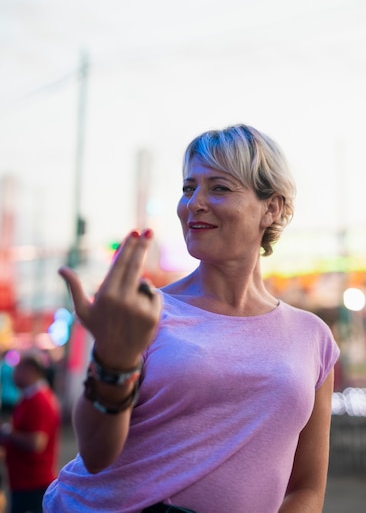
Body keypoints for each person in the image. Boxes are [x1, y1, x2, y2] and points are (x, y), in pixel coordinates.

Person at [44, 124, 340, 513]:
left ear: (272, 208)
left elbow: (305, 489)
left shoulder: (312, 338)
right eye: (188, 188)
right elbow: (96, 453)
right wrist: (113, 363)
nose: (194, 203)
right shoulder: (146, 312)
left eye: (218, 187)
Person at [0, 352, 61, 513]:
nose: (14, 373)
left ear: (31, 370)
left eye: (18, 368)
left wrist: (7, 433)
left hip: (33, 483)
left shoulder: (39, 400)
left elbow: (36, 442)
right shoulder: (29, 397)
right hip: (23, 481)